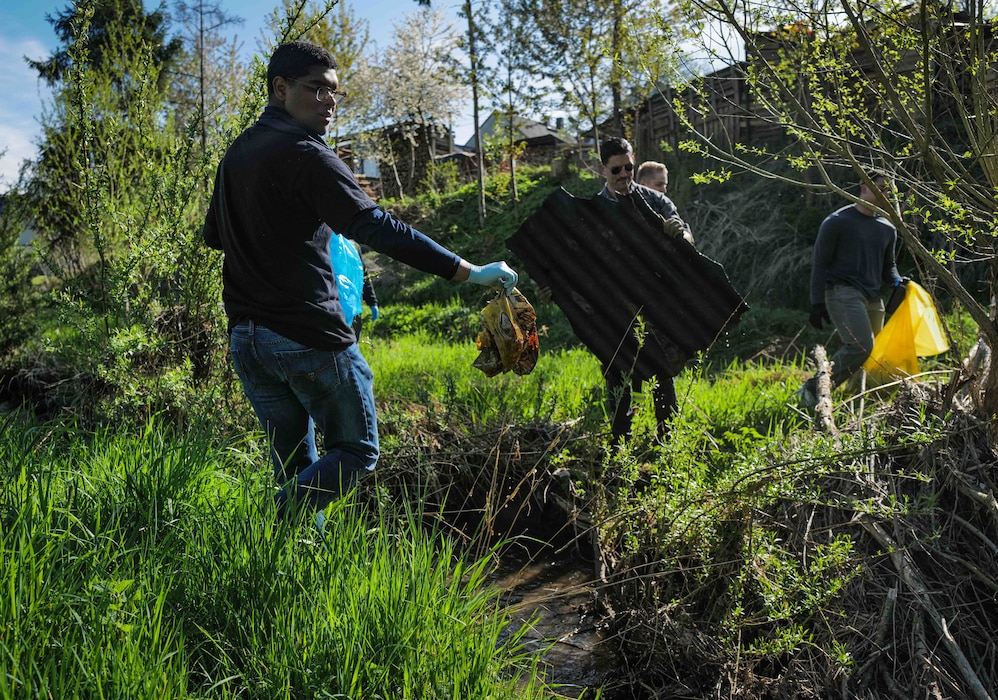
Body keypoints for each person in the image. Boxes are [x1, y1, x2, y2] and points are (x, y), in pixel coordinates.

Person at [202, 40, 517, 519]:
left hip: (247, 340)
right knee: (356, 451)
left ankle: (291, 564)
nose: (329, 102)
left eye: (335, 93)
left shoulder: (236, 156)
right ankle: (268, 522)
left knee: (295, 466)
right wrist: (470, 272)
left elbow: (215, 238)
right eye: (317, 90)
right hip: (306, 335)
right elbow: (378, 227)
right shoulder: (309, 155)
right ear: (280, 88)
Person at [596, 137, 694, 441]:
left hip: (657, 307)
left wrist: (677, 234)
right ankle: (620, 448)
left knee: (663, 375)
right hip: (614, 310)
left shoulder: (655, 201)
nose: (624, 175)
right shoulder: (593, 210)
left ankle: (667, 446)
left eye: (629, 167)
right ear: (603, 170)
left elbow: (688, 239)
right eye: (617, 170)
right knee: (618, 377)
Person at [802, 169, 906, 400]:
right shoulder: (837, 222)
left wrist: (898, 281)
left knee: (873, 353)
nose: (884, 194)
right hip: (842, 292)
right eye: (879, 188)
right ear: (863, 187)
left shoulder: (887, 228)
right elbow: (820, 263)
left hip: (873, 296)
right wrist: (816, 302)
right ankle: (813, 389)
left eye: (888, 190)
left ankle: (853, 397)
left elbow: (888, 267)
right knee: (861, 347)